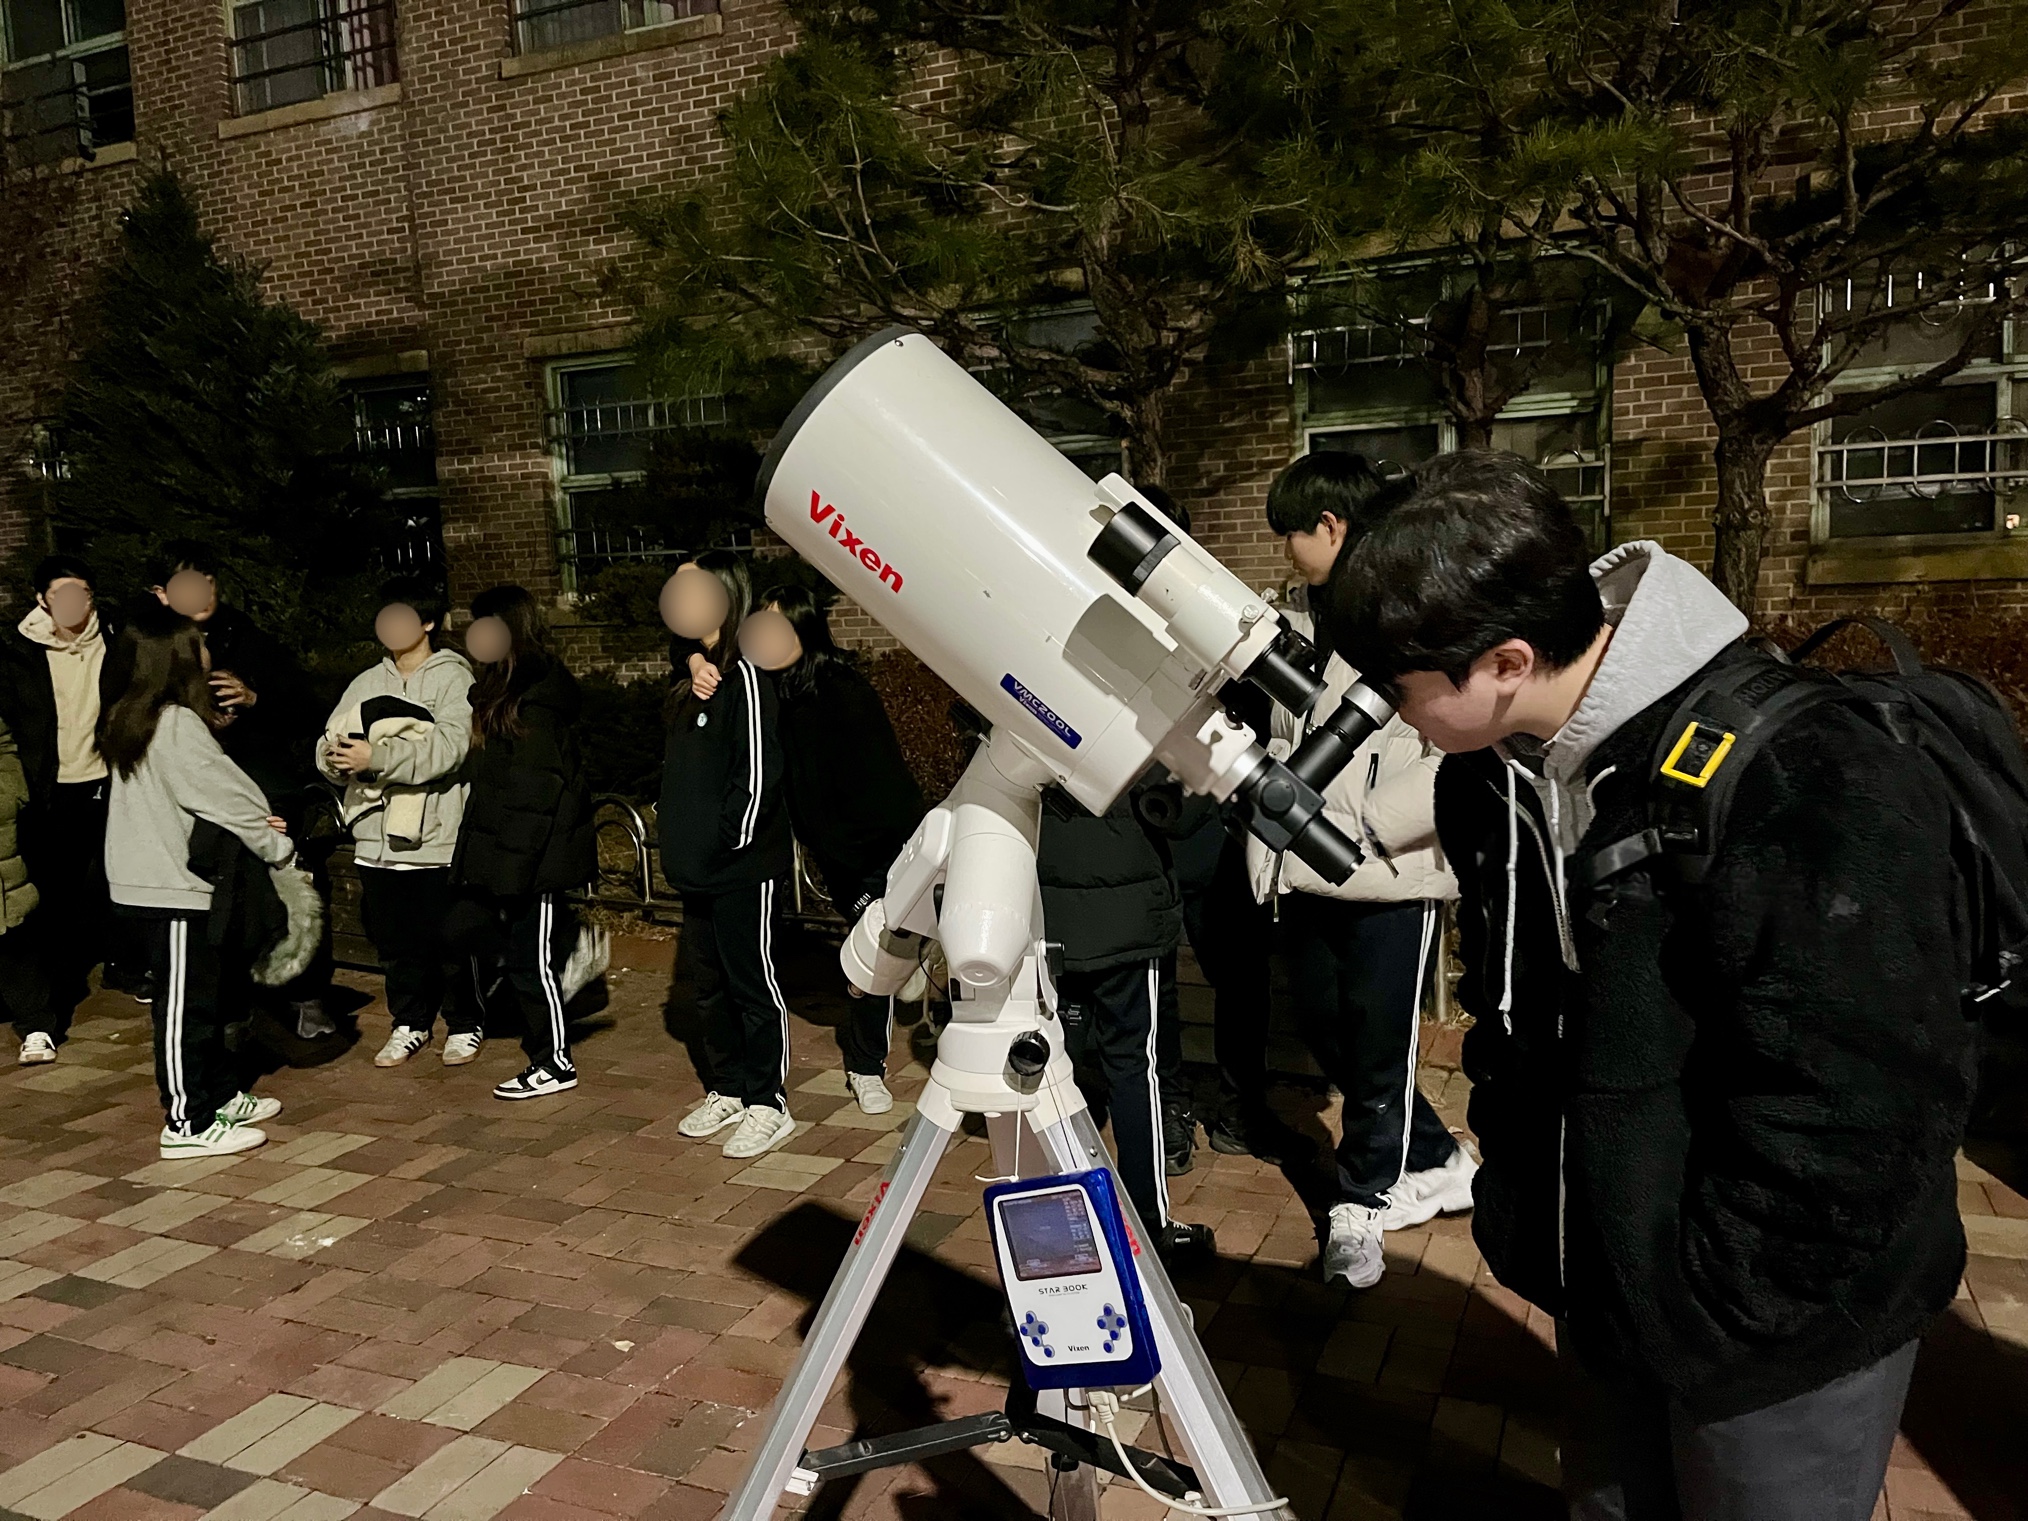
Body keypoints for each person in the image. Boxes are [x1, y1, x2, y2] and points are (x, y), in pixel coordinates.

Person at [1327, 450, 1976, 1521]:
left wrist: (1728, 1307)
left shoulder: (1805, 769)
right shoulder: (1494, 780)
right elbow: (1514, 1012)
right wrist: (1532, 1214)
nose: (1395, 719)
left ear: (1504, 660)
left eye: (1404, 689)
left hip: (1777, 1338)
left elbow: (1868, 1105)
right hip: (1616, 1291)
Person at [1254, 452, 1474, 1291]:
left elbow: (1455, 748)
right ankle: (1435, 1156)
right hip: (1304, 873)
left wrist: (1367, 825)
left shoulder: (1418, 616)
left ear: (1333, 526)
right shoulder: (1293, 626)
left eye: (1292, 535)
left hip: (1391, 874)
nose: (1285, 553)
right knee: (1326, 1028)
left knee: (1379, 1050)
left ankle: (1362, 1204)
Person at [101, 604, 292, 1159]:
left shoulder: (130, 714)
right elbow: (226, 793)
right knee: (185, 1005)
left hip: (158, 877)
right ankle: (187, 1120)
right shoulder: (174, 723)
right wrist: (273, 838)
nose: (209, 652)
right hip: (172, 881)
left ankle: (216, 1092)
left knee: (202, 995)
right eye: (198, 644)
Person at [741, 583, 925, 1114]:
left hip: (879, 848)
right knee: (879, 951)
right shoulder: (768, 692)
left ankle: (866, 1067)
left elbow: (885, 785)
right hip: (832, 855)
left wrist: (882, 870)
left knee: (873, 958)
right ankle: (910, 952)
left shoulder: (844, 689)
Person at [149, 540, 330, 1041]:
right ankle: (231, 1004)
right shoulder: (151, 646)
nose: (200, 592)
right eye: (186, 583)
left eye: (206, 581)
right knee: (220, 899)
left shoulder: (250, 640)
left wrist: (254, 699)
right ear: (162, 595)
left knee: (287, 883)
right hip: (194, 796)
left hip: (261, 784)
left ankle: (303, 989)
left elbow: (305, 712)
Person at [1038, 774, 1214, 1263]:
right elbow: (1182, 813)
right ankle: (1148, 1223)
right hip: (1129, 920)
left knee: (1051, 1071)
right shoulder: (1138, 707)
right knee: (1137, 1072)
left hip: (1049, 912)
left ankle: (1054, 1232)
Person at [662, 552, 799, 1159]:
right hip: (696, 867)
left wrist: (730, 842)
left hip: (740, 867)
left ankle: (769, 1102)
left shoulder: (745, 672)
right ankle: (729, 1087)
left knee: (751, 983)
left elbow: (758, 772)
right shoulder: (697, 668)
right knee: (708, 985)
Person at [317, 580, 479, 1069]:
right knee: (395, 941)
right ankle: (409, 1022)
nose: (390, 625)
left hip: (435, 832)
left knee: (449, 937)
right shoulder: (366, 681)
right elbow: (330, 736)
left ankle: (465, 1021)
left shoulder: (454, 678)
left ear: (428, 622)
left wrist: (379, 756)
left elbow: (451, 747)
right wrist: (332, 759)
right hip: (375, 835)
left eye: (402, 616)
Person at [449, 585, 596, 1101]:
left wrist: (512, 871)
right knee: (512, 953)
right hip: (511, 856)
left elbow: (536, 794)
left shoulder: (536, 699)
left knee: (532, 962)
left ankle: (554, 1062)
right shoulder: (500, 691)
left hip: (537, 860)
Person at [0, 554, 126, 1060]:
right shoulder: (16, 650)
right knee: (46, 894)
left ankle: (125, 966)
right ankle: (44, 1003)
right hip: (47, 788)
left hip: (105, 780)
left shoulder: (114, 641)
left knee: (109, 882)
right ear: (42, 600)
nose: (75, 604)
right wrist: (21, 790)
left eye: (83, 593)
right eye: (62, 595)